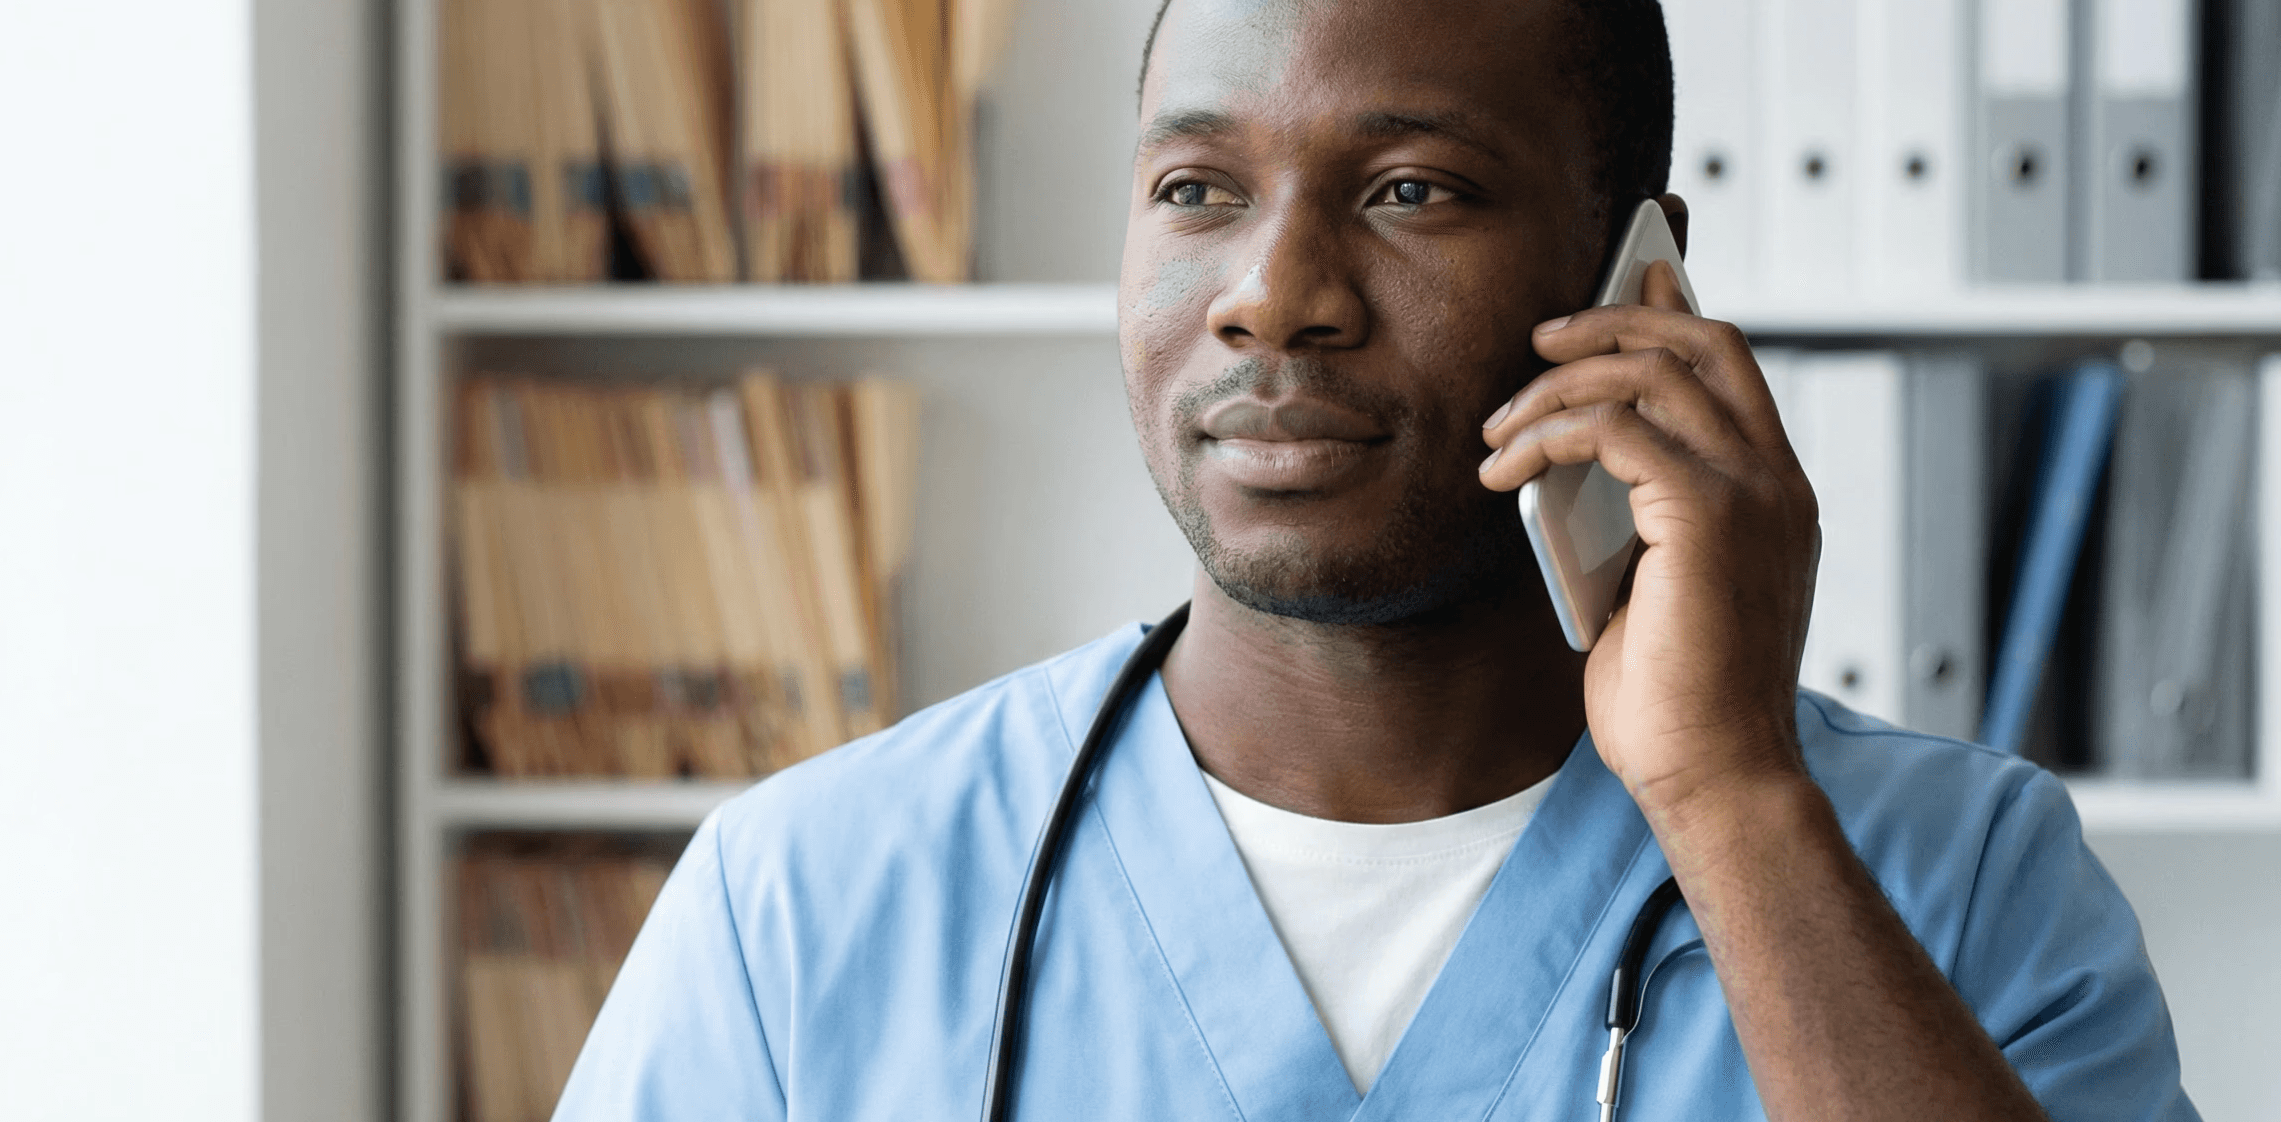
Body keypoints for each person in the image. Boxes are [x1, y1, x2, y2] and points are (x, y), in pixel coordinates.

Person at [555, 0, 2196, 1117]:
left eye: (1412, 189)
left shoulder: (1962, 883)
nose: (1270, 290)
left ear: (1641, 278)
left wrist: (1730, 798)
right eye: (1194, 186)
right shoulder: (809, 903)